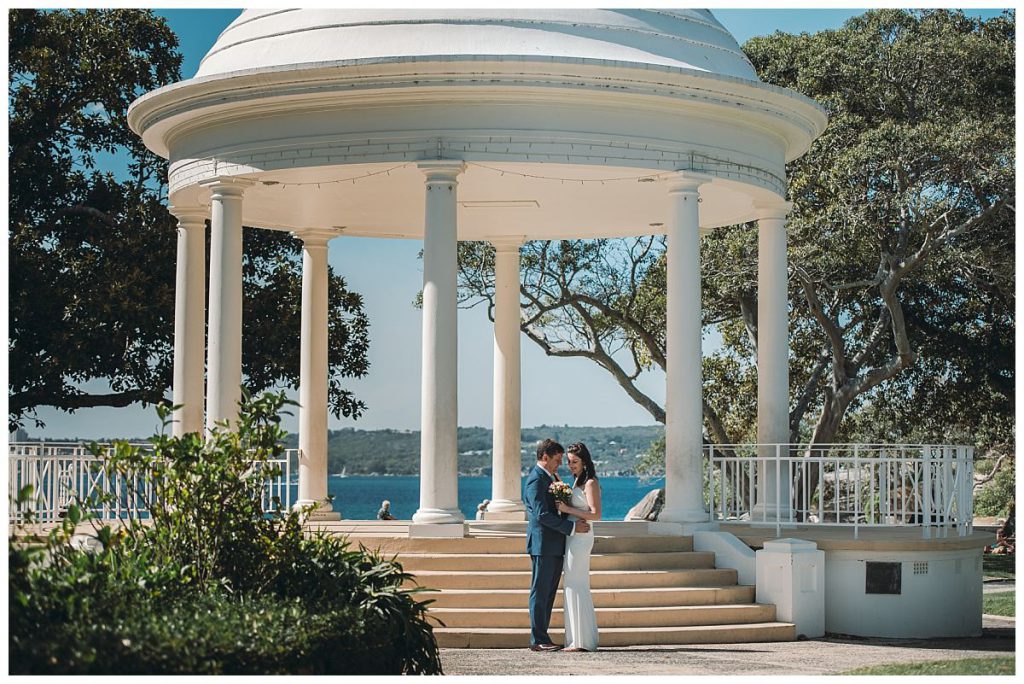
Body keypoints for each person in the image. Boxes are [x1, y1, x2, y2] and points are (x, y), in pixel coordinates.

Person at [524, 438, 590, 652]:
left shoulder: (551, 477)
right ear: (544, 457)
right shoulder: (536, 480)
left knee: (549, 592)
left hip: (554, 545)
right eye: (557, 459)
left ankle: (543, 637)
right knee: (540, 591)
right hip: (543, 545)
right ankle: (538, 640)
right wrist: (570, 528)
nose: (560, 464)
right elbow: (542, 514)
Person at [555, 442, 601, 652]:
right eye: (568, 462)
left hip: (583, 537)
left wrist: (567, 508)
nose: (570, 465)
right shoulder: (575, 482)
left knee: (577, 583)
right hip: (574, 535)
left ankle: (581, 641)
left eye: (574, 462)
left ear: (584, 462)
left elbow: (595, 514)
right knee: (572, 583)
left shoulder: (590, 483)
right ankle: (577, 639)